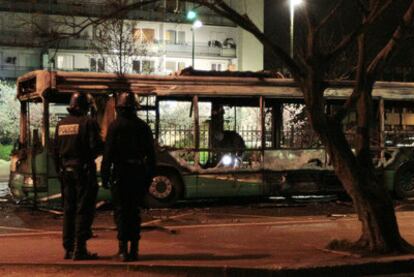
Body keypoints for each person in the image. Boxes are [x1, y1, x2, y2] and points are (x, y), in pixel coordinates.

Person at [101, 92, 156, 262]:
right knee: (135, 212)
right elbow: (151, 157)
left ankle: (122, 250)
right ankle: (134, 250)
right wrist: (147, 179)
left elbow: (108, 154)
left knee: (121, 212)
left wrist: (105, 177)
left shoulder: (115, 126)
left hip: (120, 174)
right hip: (138, 173)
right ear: (134, 108)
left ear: (119, 108)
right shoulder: (143, 126)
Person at [54, 92, 103, 260]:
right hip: (83, 172)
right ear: (85, 107)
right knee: (84, 210)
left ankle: (68, 248)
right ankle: (80, 249)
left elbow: (55, 151)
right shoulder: (88, 122)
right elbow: (96, 148)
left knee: (69, 210)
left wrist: (59, 171)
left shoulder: (61, 124)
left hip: (65, 172)